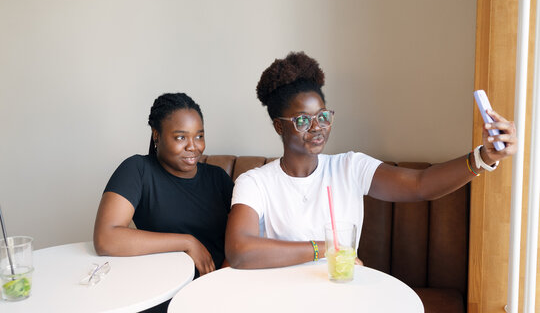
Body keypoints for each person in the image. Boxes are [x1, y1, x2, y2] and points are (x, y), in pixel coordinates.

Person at [225, 52, 517, 269]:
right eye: (303, 120)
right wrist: (324, 248)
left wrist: (483, 157)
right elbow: (239, 250)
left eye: (323, 116)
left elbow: (420, 184)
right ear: (279, 126)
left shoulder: (350, 168)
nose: (317, 128)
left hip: (340, 296)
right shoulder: (255, 182)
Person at [94, 92, 234, 277]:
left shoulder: (218, 178)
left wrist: (221, 279)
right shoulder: (138, 170)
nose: (193, 146)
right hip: (160, 285)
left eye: (199, 136)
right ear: (156, 135)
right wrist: (187, 242)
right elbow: (106, 238)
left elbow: (243, 238)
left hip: (215, 285)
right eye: (180, 137)